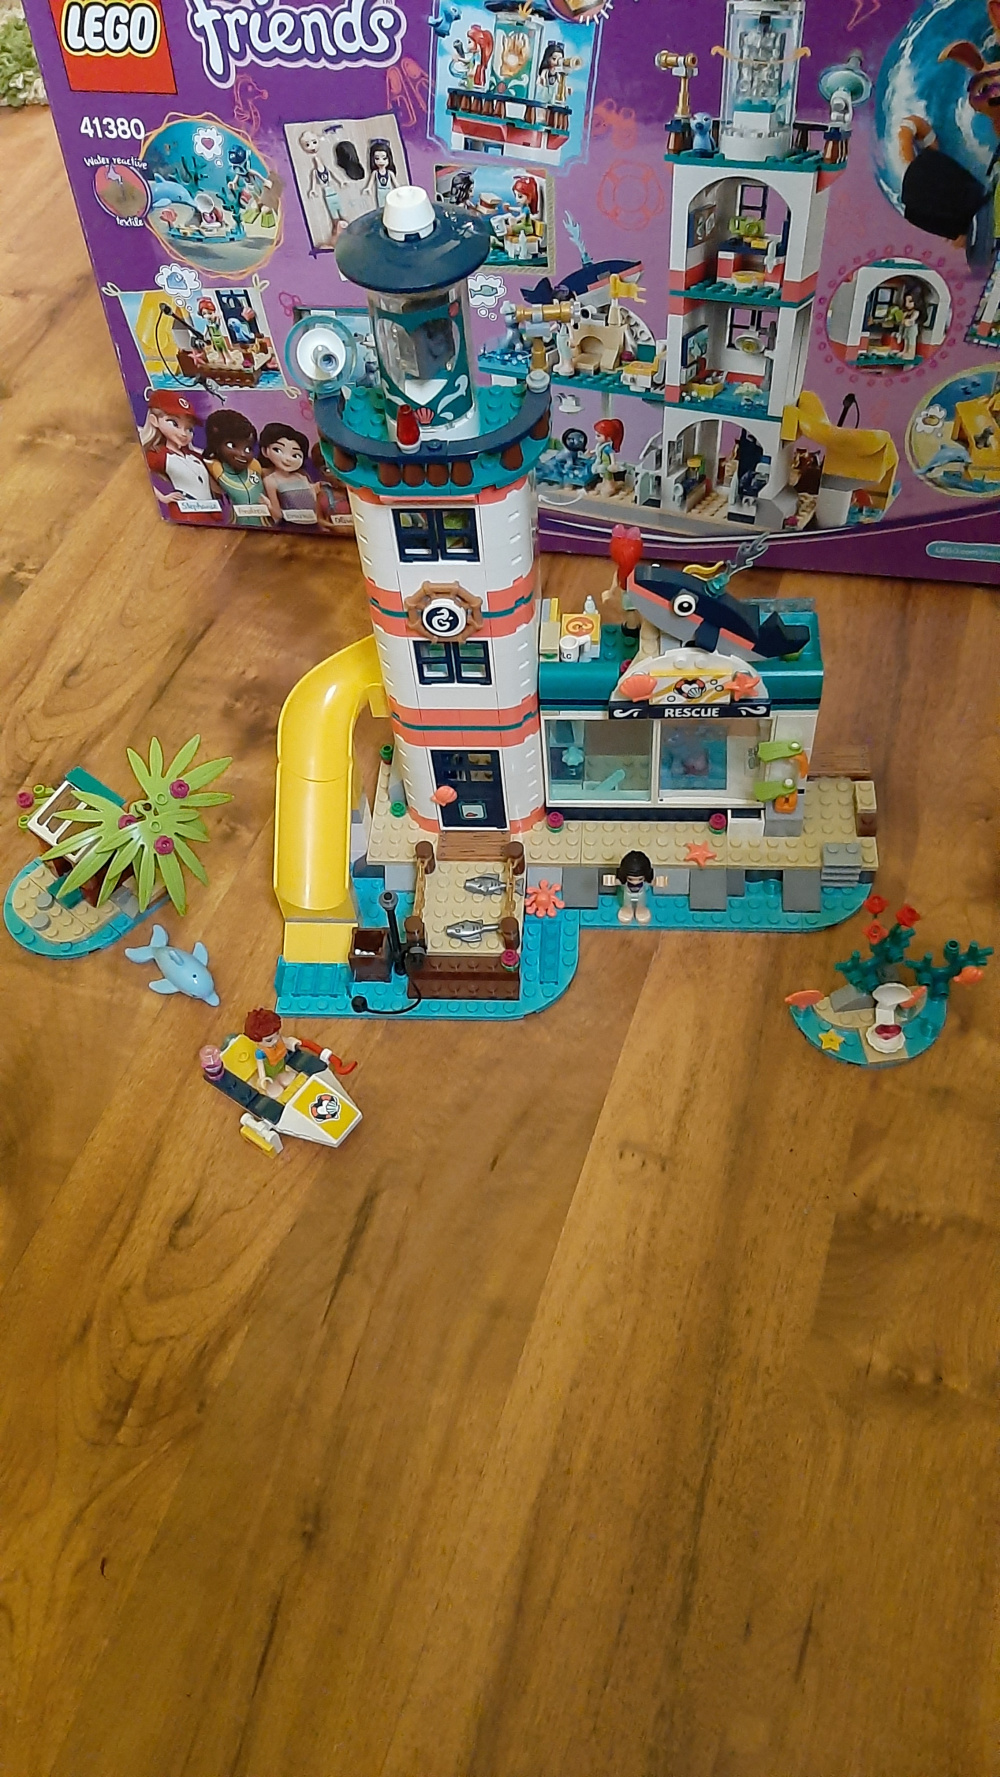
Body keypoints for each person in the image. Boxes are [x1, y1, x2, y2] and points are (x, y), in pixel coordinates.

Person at [139, 390, 221, 524]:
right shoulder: (159, 454)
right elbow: (139, 473)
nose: (183, 433)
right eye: (174, 423)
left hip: (211, 513)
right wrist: (163, 497)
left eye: (189, 429)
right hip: (186, 512)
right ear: (154, 421)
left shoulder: (194, 455)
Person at [203, 409, 271, 526]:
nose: (242, 454)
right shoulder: (213, 469)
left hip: (265, 529)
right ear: (216, 445)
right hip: (233, 529)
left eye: (248, 449)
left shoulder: (255, 468)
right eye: (232, 445)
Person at [259, 421, 319, 526]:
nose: (288, 459)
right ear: (265, 451)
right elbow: (277, 514)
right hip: (290, 525)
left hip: (314, 524)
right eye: (278, 450)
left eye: (295, 455)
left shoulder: (302, 477)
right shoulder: (271, 480)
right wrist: (268, 505)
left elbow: (316, 504)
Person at [243, 1008, 300, 1096]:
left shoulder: (278, 1041)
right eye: (269, 1040)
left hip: (281, 1067)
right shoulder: (261, 1053)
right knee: (275, 1090)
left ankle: (282, 1075)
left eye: (277, 1034)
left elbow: (286, 1041)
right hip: (270, 1073)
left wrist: (292, 1043)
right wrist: (263, 1078)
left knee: (286, 1078)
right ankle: (273, 1083)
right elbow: (260, 1066)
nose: (275, 1040)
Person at [615, 850, 653, 925]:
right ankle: (627, 909)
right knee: (627, 901)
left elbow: (651, 882)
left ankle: (641, 909)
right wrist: (612, 881)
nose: (635, 882)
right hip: (628, 892)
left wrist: (658, 882)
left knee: (641, 901)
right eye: (630, 879)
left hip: (640, 892)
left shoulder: (645, 880)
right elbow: (619, 882)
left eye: (640, 879)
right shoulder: (624, 880)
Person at [363, 139, 398, 211]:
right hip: (380, 192)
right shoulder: (375, 173)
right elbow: (371, 182)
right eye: (377, 158)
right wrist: (368, 188)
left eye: (384, 158)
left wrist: (399, 189)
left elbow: (396, 183)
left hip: (389, 191)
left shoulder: (390, 173)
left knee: (391, 205)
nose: (380, 161)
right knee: (381, 207)